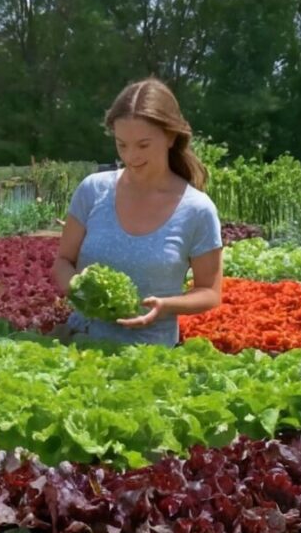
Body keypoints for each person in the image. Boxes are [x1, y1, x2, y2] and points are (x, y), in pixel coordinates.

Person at [52, 78, 223, 346]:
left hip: (150, 359)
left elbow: (209, 292)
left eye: (143, 145)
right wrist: (77, 288)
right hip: (79, 348)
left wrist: (164, 305)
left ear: (170, 136)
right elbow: (63, 260)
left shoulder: (197, 210)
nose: (131, 156)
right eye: (122, 145)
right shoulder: (93, 190)